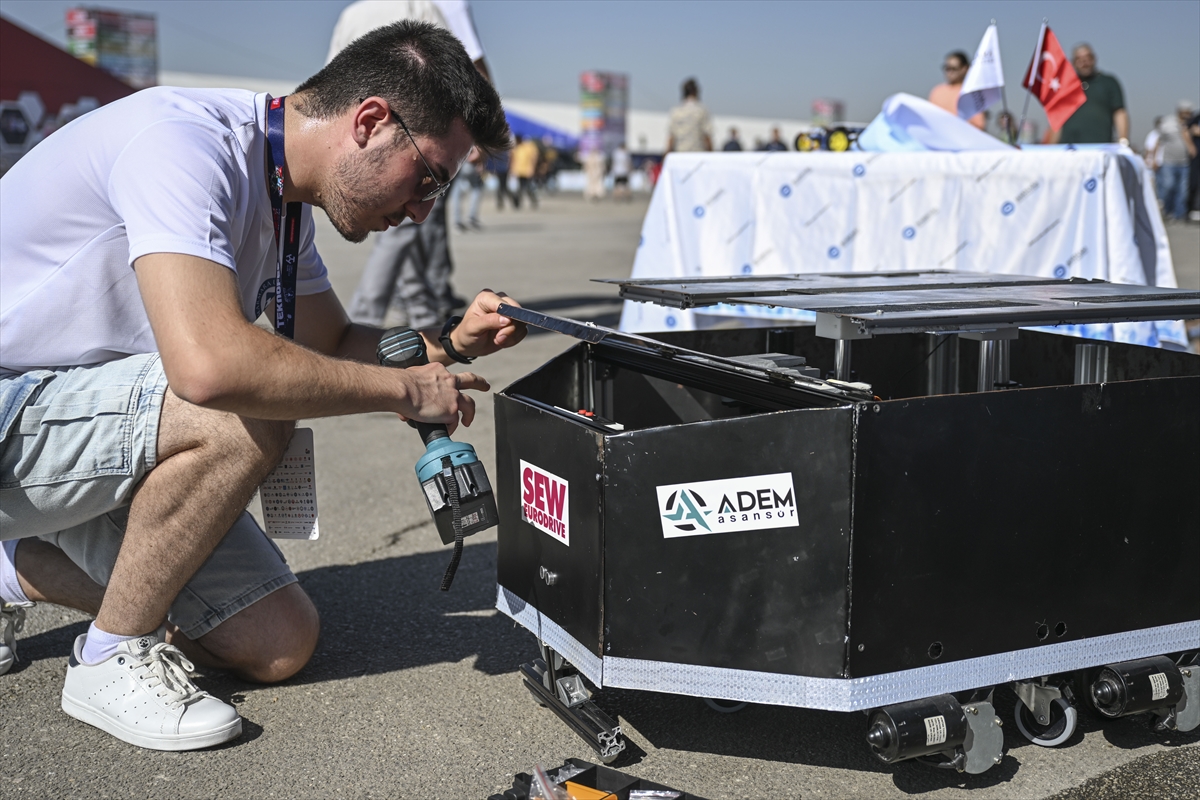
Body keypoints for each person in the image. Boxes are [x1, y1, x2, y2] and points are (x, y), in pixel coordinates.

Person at [0, 21, 524, 751]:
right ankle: (109, 655)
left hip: (78, 422)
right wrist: (407, 395)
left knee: (278, 642)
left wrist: (447, 344)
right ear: (371, 122)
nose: (423, 210)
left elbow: (333, 345)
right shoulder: (182, 143)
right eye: (428, 178)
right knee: (241, 413)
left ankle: (14, 568)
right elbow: (211, 369)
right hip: (11, 407)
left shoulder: (283, 198)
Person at [336, 0, 491, 331]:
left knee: (400, 230)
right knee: (408, 229)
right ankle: (365, 318)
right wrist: (474, 133)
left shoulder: (351, 14)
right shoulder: (421, 5)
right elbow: (458, 73)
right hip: (413, 142)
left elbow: (331, 80)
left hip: (361, 136)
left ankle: (421, 313)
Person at [1053, 44, 1128, 146]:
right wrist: (1050, 147)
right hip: (1069, 150)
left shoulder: (1109, 83)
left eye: (1087, 58)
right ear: (1073, 62)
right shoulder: (1065, 85)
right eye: (1079, 59)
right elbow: (1057, 119)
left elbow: (1119, 113)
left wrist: (1123, 141)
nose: (1084, 62)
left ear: (1094, 58)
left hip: (1099, 149)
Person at [1153, 102, 1197, 221]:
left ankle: (1179, 215)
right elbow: (1158, 142)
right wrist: (1155, 159)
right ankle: (1167, 211)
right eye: (1186, 112)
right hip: (1169, 162)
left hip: (1184, 163)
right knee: (1168, 186)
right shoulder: (1168, 123)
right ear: (1180, 112)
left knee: (1182, 191)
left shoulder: (1189, 125)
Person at [927, 50, 986, 130]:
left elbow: (979, 125)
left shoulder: (971, 94)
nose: (949, 72)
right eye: (947, 68)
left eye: (953, 69)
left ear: (965, 69)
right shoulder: (937, 91)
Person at [666, 78, 712, 152]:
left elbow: (672, 137)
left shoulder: (676, 111)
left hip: (680, 155)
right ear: (695, 92)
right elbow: (706, 136)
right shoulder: (701, 111)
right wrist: (711, 154)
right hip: (697, 155)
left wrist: (666, 155)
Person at [451, 146, 484, 230]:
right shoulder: (475, 135)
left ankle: (457, 220)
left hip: (458, 164)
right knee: (476, 189)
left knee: (457, 193)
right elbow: (478, 152)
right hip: (468, 165)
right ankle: (471, 217)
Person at [510, 133, 539, 210]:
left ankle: (534, 200)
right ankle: (518, 203)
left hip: (527, 170)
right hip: (519, 171)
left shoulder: (528, 147)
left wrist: (532, 168)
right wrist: (512, 169)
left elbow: (534, 158)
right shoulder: (515, 148)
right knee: (520, 188)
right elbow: (513, 159)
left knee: (528, 188)